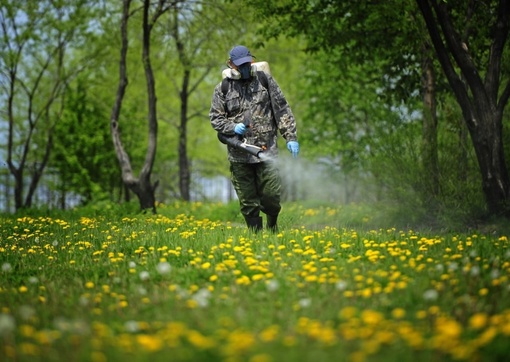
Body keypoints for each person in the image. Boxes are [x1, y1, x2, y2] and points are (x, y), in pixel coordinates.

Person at [209, 45, 299, 232]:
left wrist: (290, 136)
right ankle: (256, 237)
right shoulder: (223, 88)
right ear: (231, 64)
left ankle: (272, 228)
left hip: (268, 150)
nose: (244, 68)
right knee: (248, 201)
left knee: (271, 197)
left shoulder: (264, 80)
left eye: (247, 64)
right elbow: (216, 119)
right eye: (240, 65)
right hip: (239, 154)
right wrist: (233, 127)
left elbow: (281, 108)